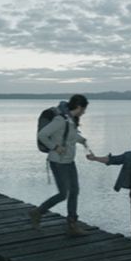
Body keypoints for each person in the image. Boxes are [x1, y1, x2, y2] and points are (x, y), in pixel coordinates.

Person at [30, 94, 90, 236]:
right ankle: (37, 212)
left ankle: (72, 224)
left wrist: (82, 140)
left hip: (69, 161)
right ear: (79, 107)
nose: (84, 112)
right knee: (64, 194)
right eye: (84, 109)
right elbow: (42, 135)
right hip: (58, 162)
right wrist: (55, 147)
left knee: (74, 191)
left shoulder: (71, 119)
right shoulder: (60, 120)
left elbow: (71, 135)